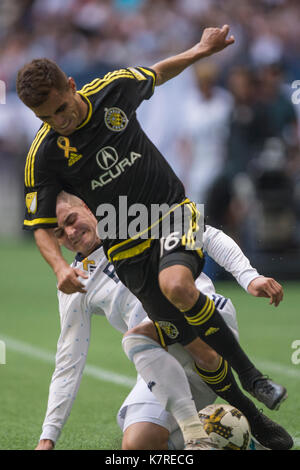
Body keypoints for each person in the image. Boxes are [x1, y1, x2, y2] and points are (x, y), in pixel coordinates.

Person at [17, 25, 287, 448]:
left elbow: (159, 73)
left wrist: (201, 49)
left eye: (61, 109)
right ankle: (247, 425)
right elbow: (38, 230)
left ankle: (251, 381)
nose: (58, 122)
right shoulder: (46, 155)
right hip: (131, 256)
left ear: (71, 85)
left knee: (176, 286)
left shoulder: (113, 91)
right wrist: (57, 268)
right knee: (137, 442)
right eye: (46, 118)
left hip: (169, 220)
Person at [35, 192, 292, 450]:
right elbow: (69, 359)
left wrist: (249, 277)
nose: (69, 233)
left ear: (87, 207)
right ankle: (235, 438)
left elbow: (207, 235)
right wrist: (48, 437)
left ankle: (243, 404)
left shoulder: (134, 221)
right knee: (137, 445)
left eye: (71, 219)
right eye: (58, 232)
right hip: (162, 365)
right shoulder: (74, 282)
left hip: (208, 320)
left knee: (138, 334)